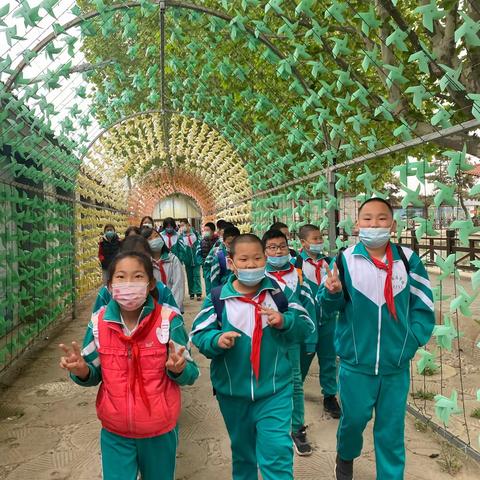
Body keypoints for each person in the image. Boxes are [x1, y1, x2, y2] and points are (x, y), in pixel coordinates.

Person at [320, 198, 435, 480]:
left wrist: (411, 341)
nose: (374, 224)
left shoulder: (408, 260)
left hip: (395, 367)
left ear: (393, 225)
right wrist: (331, 293)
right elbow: (328, 309)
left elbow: (423, 306)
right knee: (354, 421)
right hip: (356, 365)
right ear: (358, 225)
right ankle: (345, 456)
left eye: (382, 218)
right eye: (367, 219)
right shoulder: (345, 260)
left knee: (391, 429)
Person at [59, 251, 199, 480]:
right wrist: (82, 371)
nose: (129, 284)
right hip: (116, 431)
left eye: (137, 277)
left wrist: (179, 369)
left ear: (150, 283)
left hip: (159, 430)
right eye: (121, 277)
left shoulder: (168, 321)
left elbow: (192, 373)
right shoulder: (99, 323)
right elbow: (93, 373)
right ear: (110, 285)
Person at [190, 234, 312, 480]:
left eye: (257, 258)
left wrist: (284, 321)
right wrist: (216, 341)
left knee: (277, 452)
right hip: (233, 393)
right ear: (232, 263)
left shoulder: (280, 295)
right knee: (243, 454)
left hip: (275, 390)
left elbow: (306, 326)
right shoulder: (218, 298)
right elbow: (199, 335)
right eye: (243, 259)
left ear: (265, 259)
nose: (251, 265)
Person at [262, 229, 316, 456]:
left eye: (282, 246)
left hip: (291, 338)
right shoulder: (259, 276)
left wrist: (311, 339)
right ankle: (268, 426)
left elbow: (309, 307)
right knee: (267, 381)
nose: (278, 251)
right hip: (267, 341)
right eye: (272, 248)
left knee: (295, 382)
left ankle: (297, 428)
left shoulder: (298, 275)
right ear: (264, 252)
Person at [296, 224, 341, 418]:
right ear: (303, 242)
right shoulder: (295, 264)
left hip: (328, 320)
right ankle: (295, 390)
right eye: (314, 239)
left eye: (320, 238)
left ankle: (330, 396)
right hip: (306, 322)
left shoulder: (329, 263)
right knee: (302, 358)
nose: (319, 242)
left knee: (329, 359)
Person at [92, 235, 180, 316]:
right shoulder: (106, 293)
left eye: (138, 276)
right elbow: (95, 326)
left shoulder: (162, 290)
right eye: (121, 277)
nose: (135, 263)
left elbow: (175, 321)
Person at [143, 227, 185, 313]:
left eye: (156, 236)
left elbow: (178, 285)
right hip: (151, 309)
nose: (155, 240)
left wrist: (172, 308)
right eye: (150, 239)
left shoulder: (173, 260)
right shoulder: (144, 263)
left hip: (171, 306)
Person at [205, 226, 240, 294]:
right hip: (224, 292)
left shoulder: (244, 256)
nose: (232, 246)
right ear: (224, 242)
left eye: (235, 243)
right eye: (229, 243)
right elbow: (214, 279)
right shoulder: (219, 257)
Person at [178, 219, 203, 301]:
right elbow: (181, 249)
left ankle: (198, 292)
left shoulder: (195, 233)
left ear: (188, 225)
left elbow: (200, 243)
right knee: (189, 276)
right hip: (187, 260)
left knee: (197, 275)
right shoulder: (181, 237)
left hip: (196, 259)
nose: (182, 227)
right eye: (181, 225)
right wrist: (182, 259)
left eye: (183, 225)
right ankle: (191, 293)